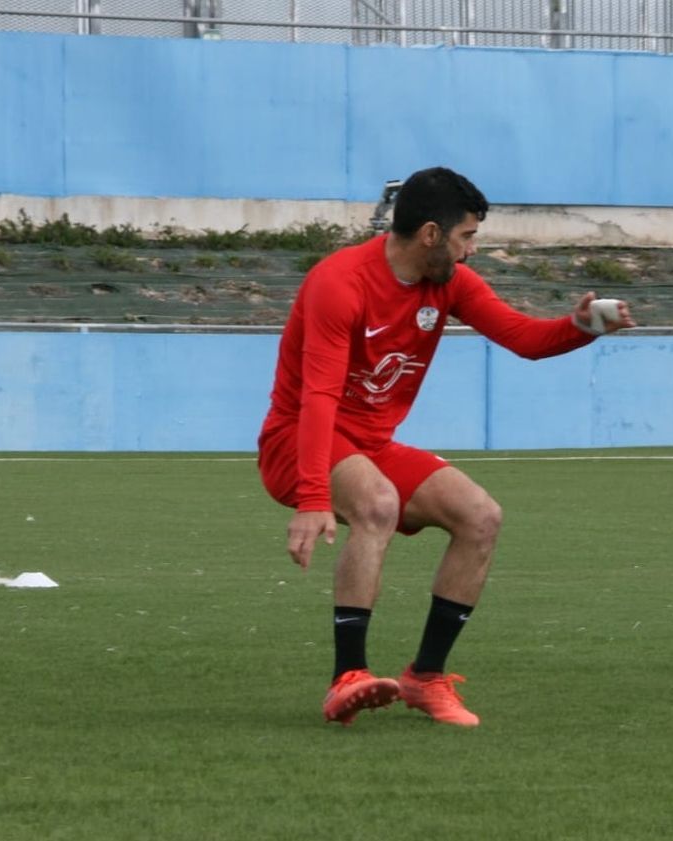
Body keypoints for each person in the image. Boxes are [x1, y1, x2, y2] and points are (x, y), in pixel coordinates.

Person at [257, 166, 634, 727]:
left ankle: (425, 678)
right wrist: (313, 497)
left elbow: (522, 338)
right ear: (431, 234)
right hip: (298, 440)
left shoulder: (449, 283)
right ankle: (347, 678)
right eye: (467, 237)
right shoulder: (340, 283)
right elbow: (317, 398)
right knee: (378, 504)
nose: (471, 251)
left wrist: (578, 328)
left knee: (480, 516)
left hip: (370, 444)